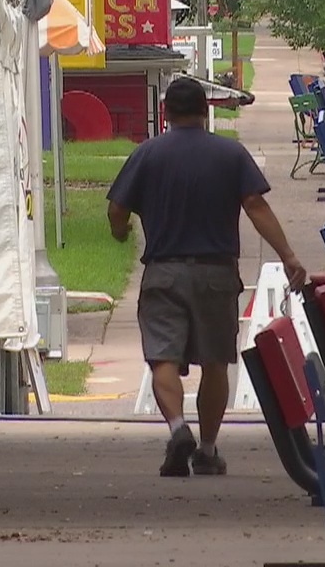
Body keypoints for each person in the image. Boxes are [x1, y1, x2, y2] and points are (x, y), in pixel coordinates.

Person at [106, 76, 306, 478]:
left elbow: (116, 210)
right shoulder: (229, 154)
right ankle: (209, 449)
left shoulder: (147, 154)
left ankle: (179, 429)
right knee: (215, 361)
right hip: (216, 272)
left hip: (163, 271)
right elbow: (255, 204)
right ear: (205, 111)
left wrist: (121, 230)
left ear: (166, 113)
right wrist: (288, 256)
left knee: (163, 355)